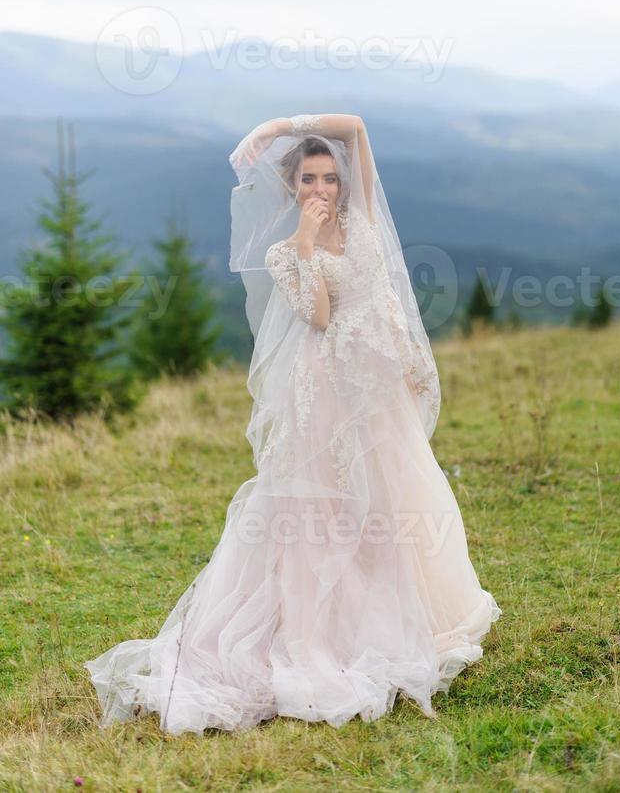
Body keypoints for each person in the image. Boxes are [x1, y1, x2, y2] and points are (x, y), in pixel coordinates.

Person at [83, 113, 500, 736]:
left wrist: (274, 126)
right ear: (292, 187)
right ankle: (325, 630)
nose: (322, 190)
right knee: (325, 508)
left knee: (393, 495)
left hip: (376, 384)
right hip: (325, 392)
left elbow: (355, 126)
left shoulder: (360, 219)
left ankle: (414, 611)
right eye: (308, 179)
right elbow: (322, 315)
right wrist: (306, 244)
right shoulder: (285, 253)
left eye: (330, 178)